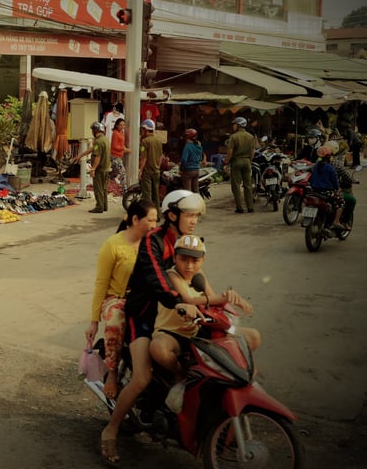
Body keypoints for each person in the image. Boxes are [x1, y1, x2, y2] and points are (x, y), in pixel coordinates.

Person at [99, 190, 207, 463]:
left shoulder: (183, 242)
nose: (194, 221)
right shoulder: (153, 242)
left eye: (196, 215)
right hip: (144, 314)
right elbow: (157, 279)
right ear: (172, 215)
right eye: (189, 215)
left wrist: (211, 300)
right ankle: (110, 431)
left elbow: (194, 273)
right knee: (142, 377)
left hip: (169, 314)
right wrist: (179, 303)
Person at [149, 234, 260, 411]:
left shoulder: (198, 275)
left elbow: (210, 299)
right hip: (173, 332)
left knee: (253, 337)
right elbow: (188, 299)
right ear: (175, 258)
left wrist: (229, 298)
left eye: (195, 260)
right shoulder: (172, 275)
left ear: (203, 260)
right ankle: (180, 375)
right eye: (183, 259)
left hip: (198, 330)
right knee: (159, 348)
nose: (189, 266)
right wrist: (224, 297)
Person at [84, 200, 158, 399]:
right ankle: (113, 372)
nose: (154, 225)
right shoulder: (113, 244)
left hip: (144, 298)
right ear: (135, 219)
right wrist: (94, 322)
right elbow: (101, 283)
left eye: (156, 220)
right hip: (116, 299)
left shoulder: (153, 243)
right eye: (150, 220)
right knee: (116, 321)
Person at [75, 121, 110, 214]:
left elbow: (97, 156)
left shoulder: (98, 142)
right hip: (106, 168)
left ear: (96, 130)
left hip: (100, 168)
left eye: (92, 130)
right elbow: (92, 149)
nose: (92, 132)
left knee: (98, 188)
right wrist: (81, 155)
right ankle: (104, 206)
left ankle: (99, 207)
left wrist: (93, 169)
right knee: (104, 188)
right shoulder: (105, 140)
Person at [224, 117, 255, 213]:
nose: (233, 126)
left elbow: (230, 152)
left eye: (234, 124)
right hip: (247, 162)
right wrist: (249, 160)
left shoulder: (233, 137)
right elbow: (252, 152)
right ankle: (250, 207)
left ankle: (239, 208)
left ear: (238, 125)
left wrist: (226, 161)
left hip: (236, 162)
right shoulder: (250, 136)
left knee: (236, 185)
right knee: (248, 185)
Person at [310, 145, 345, 229]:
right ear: (329, 157)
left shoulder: (315, 166)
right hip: (326, 193)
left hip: (314, 191)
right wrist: (337, 188)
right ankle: (336, 222)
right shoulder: (330, 168)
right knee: (341, 203)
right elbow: (335, 181)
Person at [138, 119, 163, 209]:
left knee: (147, 195)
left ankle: (148, 215)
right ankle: (157, 215)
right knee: (156, 195)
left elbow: (144, 157)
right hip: (156, 172)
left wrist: (140, 170)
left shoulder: (145, 142)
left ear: (145, 129)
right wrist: (158, 167)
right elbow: (161, 156)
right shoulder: (158, 141)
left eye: (142, 129)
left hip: (147, 172)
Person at [180, 128, 205, 193]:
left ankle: (189, 203)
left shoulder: (187, 146)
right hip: (196, 170)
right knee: (196, 190)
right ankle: (198, 202)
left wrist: (181, 169)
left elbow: (184, 159)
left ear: (187, 137)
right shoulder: (198, 145)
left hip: (188, 171)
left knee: (188, 192)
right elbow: (200, 158)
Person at [109, 118, 130, 191]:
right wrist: (124, 149)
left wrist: (124, 148)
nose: (122, 126)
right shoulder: (115, 133)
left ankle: (115, 186)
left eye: (123, 125)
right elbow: (114, 146)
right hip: (115, 156)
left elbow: (120, 144)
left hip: (119, 156)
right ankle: (124, 190)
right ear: (117, 125)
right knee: (123, 173)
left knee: (114, 173)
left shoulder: (121, 133)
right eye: (120, 125)